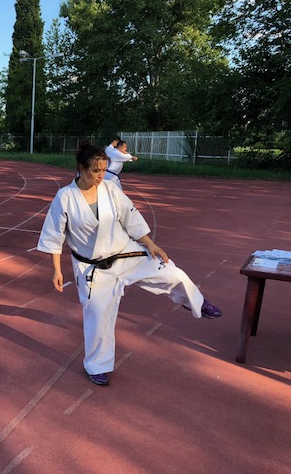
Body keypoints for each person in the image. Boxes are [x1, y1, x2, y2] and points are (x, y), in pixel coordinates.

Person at [37, 140, 222, 387]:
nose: (101, 176)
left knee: (170, 271)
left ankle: (195, 301)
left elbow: (130, 216)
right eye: (95, 171)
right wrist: (57, 270)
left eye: (104, 170)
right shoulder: (65, 197)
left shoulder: (110, 189)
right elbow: (54, 235)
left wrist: (150, 244)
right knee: (97, 317)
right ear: (81, 169)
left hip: (125, 253)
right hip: (93, 268)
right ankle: (96, 366)